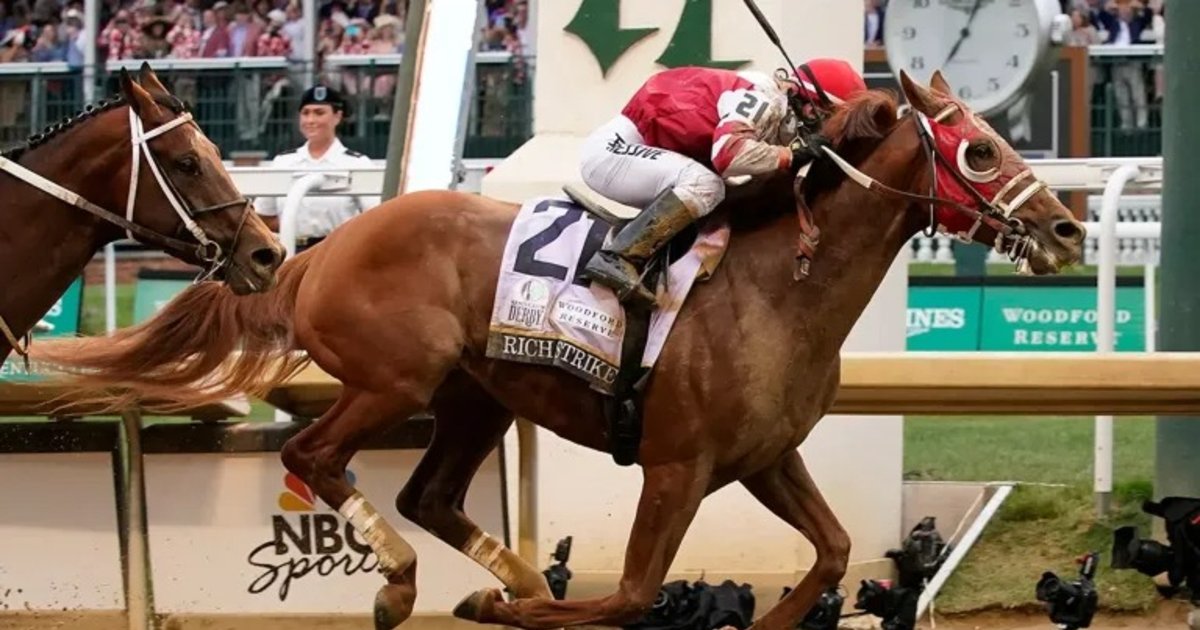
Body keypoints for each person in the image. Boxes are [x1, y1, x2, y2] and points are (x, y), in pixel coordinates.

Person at [578, 59, 867, 309]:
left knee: (719, 194)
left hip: (642, 149)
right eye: (826, 117)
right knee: (706, 185)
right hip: (614, 151)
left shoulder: (771, 104)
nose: (824, 128)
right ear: (804, 100)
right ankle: (617, 256)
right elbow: (728, 155)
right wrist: (791, 155)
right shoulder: (764, 98)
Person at [255, 85, 380, 252]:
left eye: (319, 113)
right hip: (293, 251)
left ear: (337, 116)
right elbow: (263, 216)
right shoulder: (283, 162)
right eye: (305, 113)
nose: (310, 120)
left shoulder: (356, 163)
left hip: (337, 252)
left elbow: (375, 216)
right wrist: (293, 227)